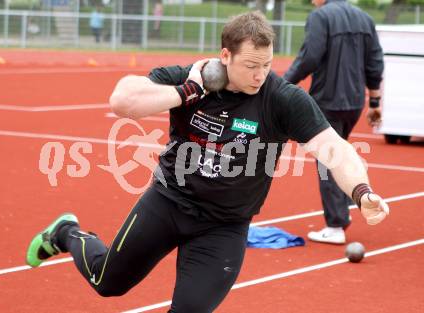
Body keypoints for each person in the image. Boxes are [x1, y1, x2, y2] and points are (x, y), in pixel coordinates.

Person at [26, 11, 389, 312]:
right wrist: (187, 92)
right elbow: (122, 100)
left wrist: (361, 190)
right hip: (168, 203)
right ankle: (65, 233)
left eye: (265, 64)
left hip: (224, 226)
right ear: (225, 56)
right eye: (250, 65)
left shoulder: (282, 98)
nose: (259, 75)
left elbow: (335, 150)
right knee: (108, 283)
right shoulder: (192, 79)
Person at [283, 0, 384, 244]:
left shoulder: (321, 16)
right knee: (340, 153)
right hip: (354, 101)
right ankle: (349, 194)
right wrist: (374, 102)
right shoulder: (364, 17)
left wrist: (282, 84)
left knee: (328, 160)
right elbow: (375, 61)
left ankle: (336, 223)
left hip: (328, 99)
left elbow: (310, 57)